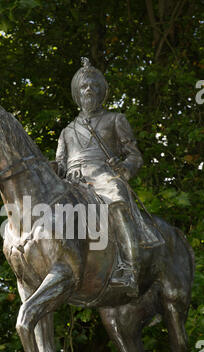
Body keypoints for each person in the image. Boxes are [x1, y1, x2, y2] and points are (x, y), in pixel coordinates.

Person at [56, 58, 163, 297]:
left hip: (104, 176)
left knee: (116, 201)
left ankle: (130, 270)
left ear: (101, 91)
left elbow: (134, 156)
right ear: (77, 93)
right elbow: (60, 165)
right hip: (72, 182)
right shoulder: (67, 131)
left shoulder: (115, 119)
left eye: (94, 85)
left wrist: (123, 168)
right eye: (84, 86)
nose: (89, 89)